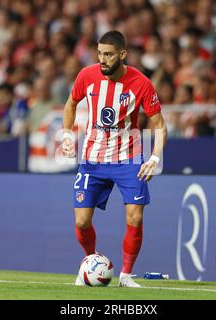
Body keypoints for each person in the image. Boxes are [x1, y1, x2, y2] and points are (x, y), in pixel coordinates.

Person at [62, 31, 167, 288]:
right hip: (92, 159)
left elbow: (160, 125)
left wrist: (154, 157)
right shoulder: (86, 76)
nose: (102, 59)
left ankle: (126, 275)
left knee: (135, 217)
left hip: (129, 158)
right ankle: (91, 264)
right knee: (81, 221)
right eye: (99, 53)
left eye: (108, 54)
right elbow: (70, 104)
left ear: (122, 54)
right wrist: (66, 133)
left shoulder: (141, 83)